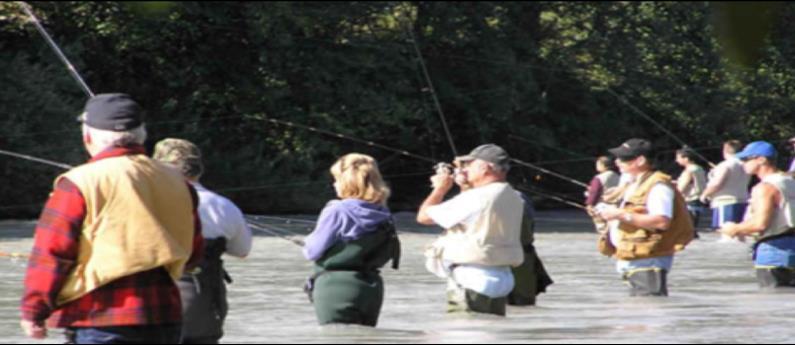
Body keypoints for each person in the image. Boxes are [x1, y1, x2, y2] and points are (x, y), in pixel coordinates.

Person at [20, 93, 203, 343]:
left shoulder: (78, 183)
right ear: (142, 134)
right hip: (165, 318)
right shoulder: (180, 184)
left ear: (88, 137)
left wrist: (34, 311)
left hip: (97, 317)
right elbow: (192, 254)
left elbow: (52, 253)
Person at [153, 138, 253, 344]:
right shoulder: (225, 207)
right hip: (205, 309)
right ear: (198, 169)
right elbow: (242, 251)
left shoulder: (148, 203)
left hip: (155, 307)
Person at [417, 144, 524, 316]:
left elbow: (424, 217)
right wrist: (465, 186)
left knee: (463, 334)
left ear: (485, 167)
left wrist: (440, 188)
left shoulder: (477, 197)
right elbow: (475, 215)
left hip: (473, 278)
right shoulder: (513, 196)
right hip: (501, 278)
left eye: (469, 165)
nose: (464, 170)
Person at [302, 153, 400, 327]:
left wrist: (307, 240)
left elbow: (312, 251)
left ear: (347, 181)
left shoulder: (336, 210)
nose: (334, 184)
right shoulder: (384, 214)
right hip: (371, 289)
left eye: (337, 179)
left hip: (334, 288)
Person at [594, 138, 694, 296]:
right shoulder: (635, 184)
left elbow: (661, 221)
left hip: (648, 261)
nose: (617, 161)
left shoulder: (658, 186)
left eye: (623, 158)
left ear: (640, 160)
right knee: (638, 315)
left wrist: (619, 214)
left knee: (650, 311)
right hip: (635, 259)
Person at [718, 142, 795, 288]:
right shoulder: (790, 181)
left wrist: (733, 229)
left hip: (774, 251)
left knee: (772, 305)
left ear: (761, 159)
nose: (743, 163)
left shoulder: (765, 187)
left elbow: (759, 224)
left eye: (746, 159)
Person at [700, 140, 751, 236]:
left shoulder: (724, 165)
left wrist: (705, 194)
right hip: (742, 200)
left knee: (726, 233)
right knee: (739, 234)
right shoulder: (746, 165)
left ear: (725, 150)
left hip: (725, 202)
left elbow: (717, 184)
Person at [675, 148, 708, 231]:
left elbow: (682, 187)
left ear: (686, 159)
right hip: (698, 199)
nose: (676, 160)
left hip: (690, 199)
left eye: (678, 158)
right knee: (694, 225)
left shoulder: (689, 170)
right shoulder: (699, 168)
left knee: (687, 226)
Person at [586, 156, 620, 232]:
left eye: (598, 164)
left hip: (601, 205)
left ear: (603, 165)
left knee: (602, 228)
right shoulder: (618, 176)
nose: (596, 166)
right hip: (617, 206)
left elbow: (595, 192)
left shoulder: (599, 178)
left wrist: (590, 204)